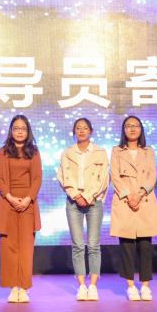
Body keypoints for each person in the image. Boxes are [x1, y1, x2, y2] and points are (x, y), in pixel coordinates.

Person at [110, 116, 157, 301]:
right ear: (124, 129)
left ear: (141, 129)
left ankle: (146, 287)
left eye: (136, 126)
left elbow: (152, 175)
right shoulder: (117, 150)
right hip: (125, 202)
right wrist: (129, 196)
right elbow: (115, 176)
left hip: (144, 201)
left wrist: (139, 195)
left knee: (145, 247)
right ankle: (131, 287)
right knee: (126, 247)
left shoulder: (148, 151)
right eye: (129, 126)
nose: (133, 129)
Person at [57, 118, 109, 301]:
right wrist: (76, 195)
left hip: (94, 200)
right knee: (78, 245)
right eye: (78, 128)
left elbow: (104, 178)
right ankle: (81, 286)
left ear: (91, 131)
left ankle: (93, 286)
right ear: (74, 131)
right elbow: (63, 177)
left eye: (85, 128)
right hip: (73, 200)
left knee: (94, 244)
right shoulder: (67, 153)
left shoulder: (100, 152)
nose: (81, 131)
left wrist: (88, 195)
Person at [0, 115, 42, 303]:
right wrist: (11, 198)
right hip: (8, 203)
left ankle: (24, 288)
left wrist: (28, 199)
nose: (20, 131)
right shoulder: (3, 152)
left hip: (28, 204)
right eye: (16, 128)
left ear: (28, 131)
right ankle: (13, 288)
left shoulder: (34, 152)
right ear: (11, 130)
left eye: (23, 128)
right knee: (9, 247)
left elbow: (37, 178)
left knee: (26, 248)